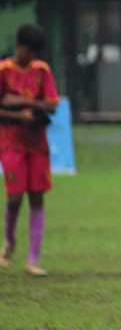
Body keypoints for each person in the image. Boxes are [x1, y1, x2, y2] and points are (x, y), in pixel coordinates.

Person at [0, 24, 60, 276]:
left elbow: (53, 105)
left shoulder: (42, 70)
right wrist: (17, 115)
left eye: (35, 52)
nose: (31, 56)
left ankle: (33, 259)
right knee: (15, 198)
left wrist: (21, 102)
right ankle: (9, 243)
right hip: (11, 143)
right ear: (18, 46)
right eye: (27, 51)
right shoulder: (3, 70)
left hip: (37, 144)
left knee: (37, 196)